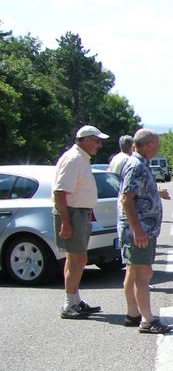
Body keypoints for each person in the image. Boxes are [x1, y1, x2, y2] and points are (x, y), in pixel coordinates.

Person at [118, 129, 172, 333]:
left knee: (133, 271)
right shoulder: (136, 165)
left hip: (139, 227)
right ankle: (147, 320)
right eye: (156, 143)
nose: (158, 147)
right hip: (139, 229)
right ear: (148, 144)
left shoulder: (139, 163)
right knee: (144, 273)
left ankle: (133, 313)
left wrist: (157, 193)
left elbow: (135, 191)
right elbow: (126, 198)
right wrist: (137, 230)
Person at [52, 125, 108, 319]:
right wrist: (66, 223)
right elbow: (59, 192)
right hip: (72, 213)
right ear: (85, 140)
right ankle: (69, 305)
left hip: (78, 213)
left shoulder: (80, 158)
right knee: (77, 259)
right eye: (97, 140)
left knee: (76, 258)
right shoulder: (74, 159)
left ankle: (74, 301)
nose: (100, 145)